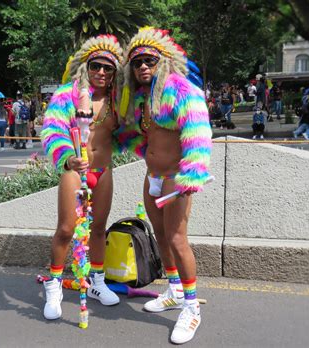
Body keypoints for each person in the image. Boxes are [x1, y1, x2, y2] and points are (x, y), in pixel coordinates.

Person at [119, 27, 212, 345]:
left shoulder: (181, 90)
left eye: (149, 60)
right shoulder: (140, 98)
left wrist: (193, 174)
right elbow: (141, 136)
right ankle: (173, 290)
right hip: (152, 177)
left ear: (163, 62)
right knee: (161, 237)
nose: (143, 66)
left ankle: (191, 308)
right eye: (137, 62)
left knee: (177, 239)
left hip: (175, 179)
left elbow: (199, 134)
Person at [40, 35, 124, 321]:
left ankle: (97, 282)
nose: (101, 72)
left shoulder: (119, 100)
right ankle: (54, 287)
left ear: (114, 74)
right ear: (86, 67)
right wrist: (66, 157)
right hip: (75, 170)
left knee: (99, 229)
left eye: (108, 68)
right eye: (95, 66)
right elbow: (51, 130)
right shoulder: (67, 94)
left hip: (104, 170)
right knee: (66, 229)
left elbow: (143, 124)